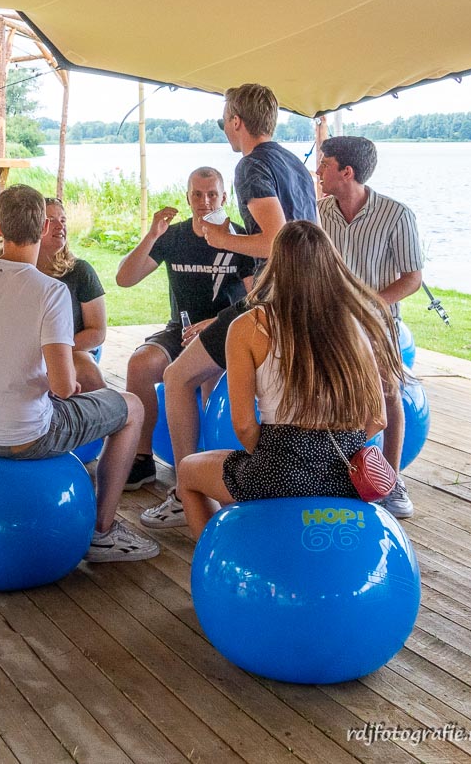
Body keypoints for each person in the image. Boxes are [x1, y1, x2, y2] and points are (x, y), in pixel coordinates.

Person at [0, 185, 160, 561]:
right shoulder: (50, 291)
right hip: (27, 437)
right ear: (44, 227)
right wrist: (53, 379)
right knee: (132, 407)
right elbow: (63, 387)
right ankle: (102, 530)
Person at [148, 83, 317, 529]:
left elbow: (277, 240)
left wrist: (221, 238)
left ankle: (186, 490)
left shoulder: (251, 165)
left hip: (274, 300)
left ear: (237, 122)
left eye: (225, 119)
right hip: (307, 296)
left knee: (177, 376)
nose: (224, 127)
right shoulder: (292, 164)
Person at [175, 221, 403, 538]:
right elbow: (378, 418)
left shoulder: (247, 326)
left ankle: (222, 553)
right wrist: (330, 454)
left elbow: (244, 426)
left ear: (276, 265)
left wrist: (278, 459)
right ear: (330, 264)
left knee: (188, 471)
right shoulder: (355, 324)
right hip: (346, 473)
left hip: (278, 466)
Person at [115, 168, 253, 490]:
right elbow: (125, 279)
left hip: (225, 333)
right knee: (139, 364)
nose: (205, 202)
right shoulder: (173, 236)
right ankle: (142, 458)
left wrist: (216, 322)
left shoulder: (241, 239)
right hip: (181, 330)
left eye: (212, 194)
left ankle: (203, 470)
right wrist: (152, 235)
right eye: (197, 194)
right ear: (187, 197)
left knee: (207, 378)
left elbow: (257, 298)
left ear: (224, 197)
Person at [316, 134, 424, 518]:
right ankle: (334, 475)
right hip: (329, 324)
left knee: (388, 392)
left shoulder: (397, 215)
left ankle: (391, 481)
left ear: (347, 172)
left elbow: (412, 278)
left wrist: (368, 305)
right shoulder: (317, 213)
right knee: (326, 396)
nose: (318, 170)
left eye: (325, 164)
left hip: (378, 324)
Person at [35, 198, 107, 392]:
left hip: (73, 347)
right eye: (50, 220)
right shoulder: (18, 271)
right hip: (25, 350)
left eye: (63, 220)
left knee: (87, 372)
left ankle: (105, 408)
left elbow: (97, 332)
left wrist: (54, 351)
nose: (60, 226)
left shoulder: (80, 271)